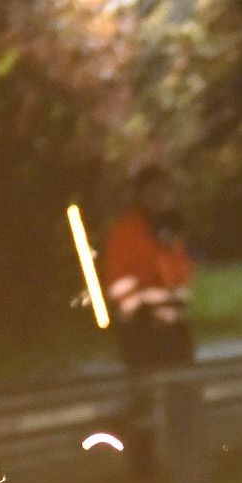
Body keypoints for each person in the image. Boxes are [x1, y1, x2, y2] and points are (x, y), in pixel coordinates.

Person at [99, 165, 196, 400]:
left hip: (173, 327)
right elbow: (120, 282)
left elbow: (180, 274)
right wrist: (146, 309)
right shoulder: (127, 231)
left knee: (181, 396)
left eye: (164, 191)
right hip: (142, 330)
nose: (160, 197)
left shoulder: (166, 229)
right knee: (146, 400)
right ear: (141, 194)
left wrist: (172, 306)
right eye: (154, 191)